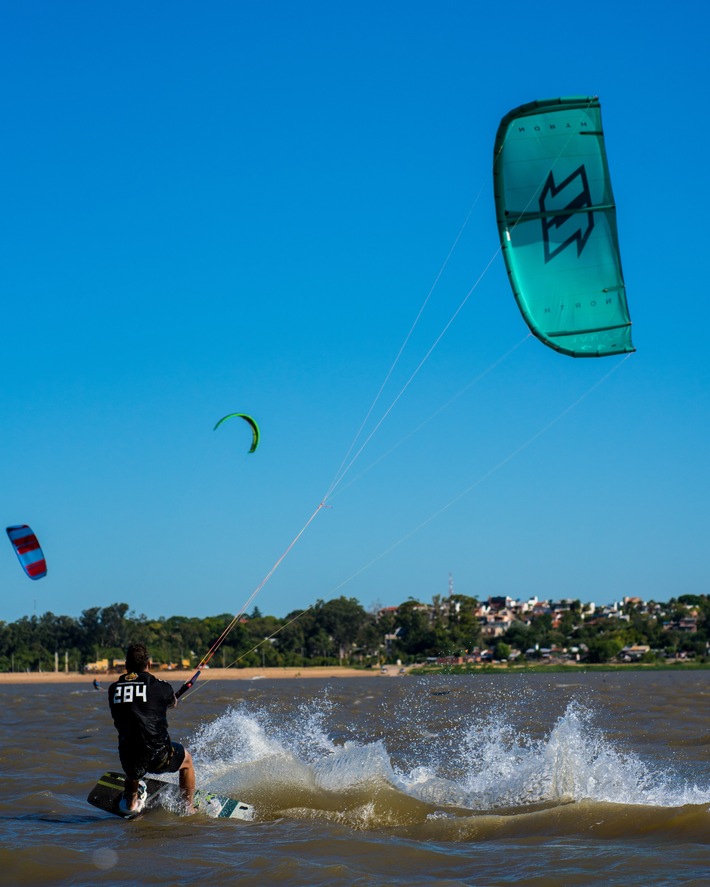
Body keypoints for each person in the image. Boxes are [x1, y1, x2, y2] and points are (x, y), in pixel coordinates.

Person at [108, 643, 195, 815]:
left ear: (126, 666)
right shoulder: (161, 686)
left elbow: (133, 705)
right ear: (148, 665)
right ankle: (188, 808)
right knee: (187, 761)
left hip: (128, 757)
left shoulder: (113, 689)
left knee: (133, 763)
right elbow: (172, 702)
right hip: (159, 756)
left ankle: (131, 803)